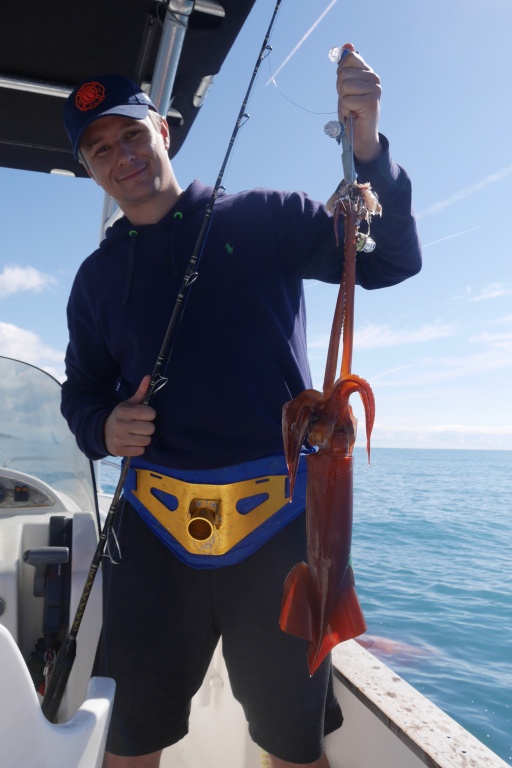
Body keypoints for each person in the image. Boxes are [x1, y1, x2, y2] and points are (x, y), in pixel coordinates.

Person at [61, 43, 421, 768]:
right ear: (89, 167)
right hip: (153, 533)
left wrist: (368, 146)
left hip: (282, 531)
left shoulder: (269, 219)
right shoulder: (95, 278)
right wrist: (105, 425)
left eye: (131, 133)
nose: (120, 155)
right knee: (128, 741)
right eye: (100, 149)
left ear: (164, 129)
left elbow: (387, 261)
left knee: (292, 745)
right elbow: (81, 395)